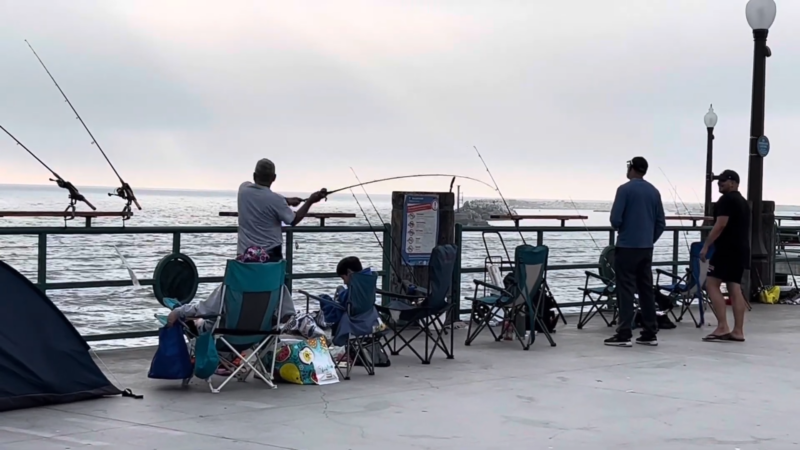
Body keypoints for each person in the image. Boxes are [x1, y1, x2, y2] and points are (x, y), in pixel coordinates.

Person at [605, 157, 666, 347]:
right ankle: (650, 332)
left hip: (626, 247)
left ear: (631, 168)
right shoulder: (654, 192)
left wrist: (625, 229)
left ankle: (624, 333)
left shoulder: (624, 190)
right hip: (646, 248)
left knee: (625, 290)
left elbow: (615, 219)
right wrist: (649, 239)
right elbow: (661, 223)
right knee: (645, 289)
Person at [237, 158, 327, 261]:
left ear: (254, 175)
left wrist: (286, 201)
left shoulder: (243, 189)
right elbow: (293, 220)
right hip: (269, 255)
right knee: (273, 277)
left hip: (245, 255)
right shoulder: (277, 200)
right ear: (274, 178)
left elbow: (261, 197)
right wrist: (310, 201)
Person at [700, 169, 750, 343]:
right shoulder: (743, 202)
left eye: (724, 181)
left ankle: (722, 326)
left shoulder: (726, 200)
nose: (720, 183)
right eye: (718, 181)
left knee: (711, 284)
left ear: (734, 183)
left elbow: (720, 225)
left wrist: (706, 246)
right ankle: (738, 331)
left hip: (726, 250)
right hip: (740, 249)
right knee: (734, 288)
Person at [319, 256, 374, 330]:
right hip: (368, 319)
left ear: (349, 272)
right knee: (340, 289)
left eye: (343, 278)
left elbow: (344, 298)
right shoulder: (368, 283)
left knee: (323, 298)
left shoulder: (353, 290)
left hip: (349, 320)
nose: (344, 282)